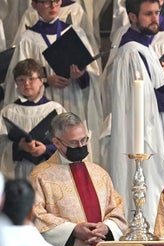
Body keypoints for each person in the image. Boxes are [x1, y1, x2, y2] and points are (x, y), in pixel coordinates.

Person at [105, 0, 164, 230]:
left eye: (157, 13)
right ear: (132, 16)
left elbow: (153, 88)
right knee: (149, 191)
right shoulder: (131, 51)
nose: (155, 19)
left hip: (155, 129)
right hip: (145, 138)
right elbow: (145, 101)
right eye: (148, 14)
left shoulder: (143, 48)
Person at [28, 112, 127, 246]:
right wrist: (73, 230)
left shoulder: (99, 173)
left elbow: (116, 208)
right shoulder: (41, 176)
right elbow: (34, 217)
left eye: (84, 140)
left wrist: (106, 228)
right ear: (56, 142)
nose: (81, 147)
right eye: (74, 143)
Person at [2, 0, 103, 158]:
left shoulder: (76, 32)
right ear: (34, 5)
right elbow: (19, 77)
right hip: (44, 106)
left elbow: (94, 78)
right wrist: (47, 80)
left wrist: (81, 75)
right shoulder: (27, 39)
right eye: (46, 2)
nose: (53, 6)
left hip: (73, 99)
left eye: (56, 1)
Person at [0, 59, 65, 180]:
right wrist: (19, 146)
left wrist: (46, 149)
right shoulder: (8, 112)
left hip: (49, 172)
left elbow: (67, 142)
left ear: (42, 80)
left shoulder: (55, 109)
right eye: (21, 80)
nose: (26, 83)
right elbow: (1, 145)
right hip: (18, 173)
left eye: (31, 78)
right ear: (16, 83)